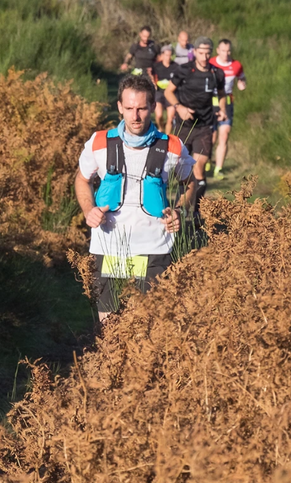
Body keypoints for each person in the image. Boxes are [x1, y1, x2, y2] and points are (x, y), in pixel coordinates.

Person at [75, 75, 195, 322]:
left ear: (153, 106)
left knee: (148, 325)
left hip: (154, 249)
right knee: (109, 327)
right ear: (119, 107)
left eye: (141, 108)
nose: (135, 116)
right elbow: (82, 179)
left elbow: (190, 184)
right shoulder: (99, 143)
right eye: (129, 108)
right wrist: (89, 210)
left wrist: (179, 211)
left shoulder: (172, 147)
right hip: (108, 248)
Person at [165, 37, 226, 213]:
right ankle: (180, 210)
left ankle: (197, 211)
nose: (204, 57)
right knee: (181, 167)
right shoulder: (184, 70)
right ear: (195, 52)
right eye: (201, 53)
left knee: (199, 167)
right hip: (184, 126)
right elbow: (168, 92)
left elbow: (222, 94)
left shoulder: (216, 73)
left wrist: (222, 109)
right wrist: (179, 107)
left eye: (207, 53)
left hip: (205, 126)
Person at [209, 38, 246, 178]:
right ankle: (207, 159)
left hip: (227, 102)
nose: (226, 53)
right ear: (218, 51)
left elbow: (242, 77)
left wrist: (242, 83)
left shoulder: (236, 65)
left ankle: (218, 169)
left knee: (224, 134)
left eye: (228, 51)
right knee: (211, 136)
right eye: (223, 50)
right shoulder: (211, 63)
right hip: (211, 102)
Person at [153, 44, 180, 134]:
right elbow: (151, 76)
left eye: (170, 55)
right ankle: (161, 129)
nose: (168, 57)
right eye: (166, 55)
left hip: (171, 93)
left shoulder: (176, 67)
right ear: (162, 55)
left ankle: (167, 137)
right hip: (159, 93)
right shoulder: (156, 66)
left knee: (170, 118)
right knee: (159, 115)